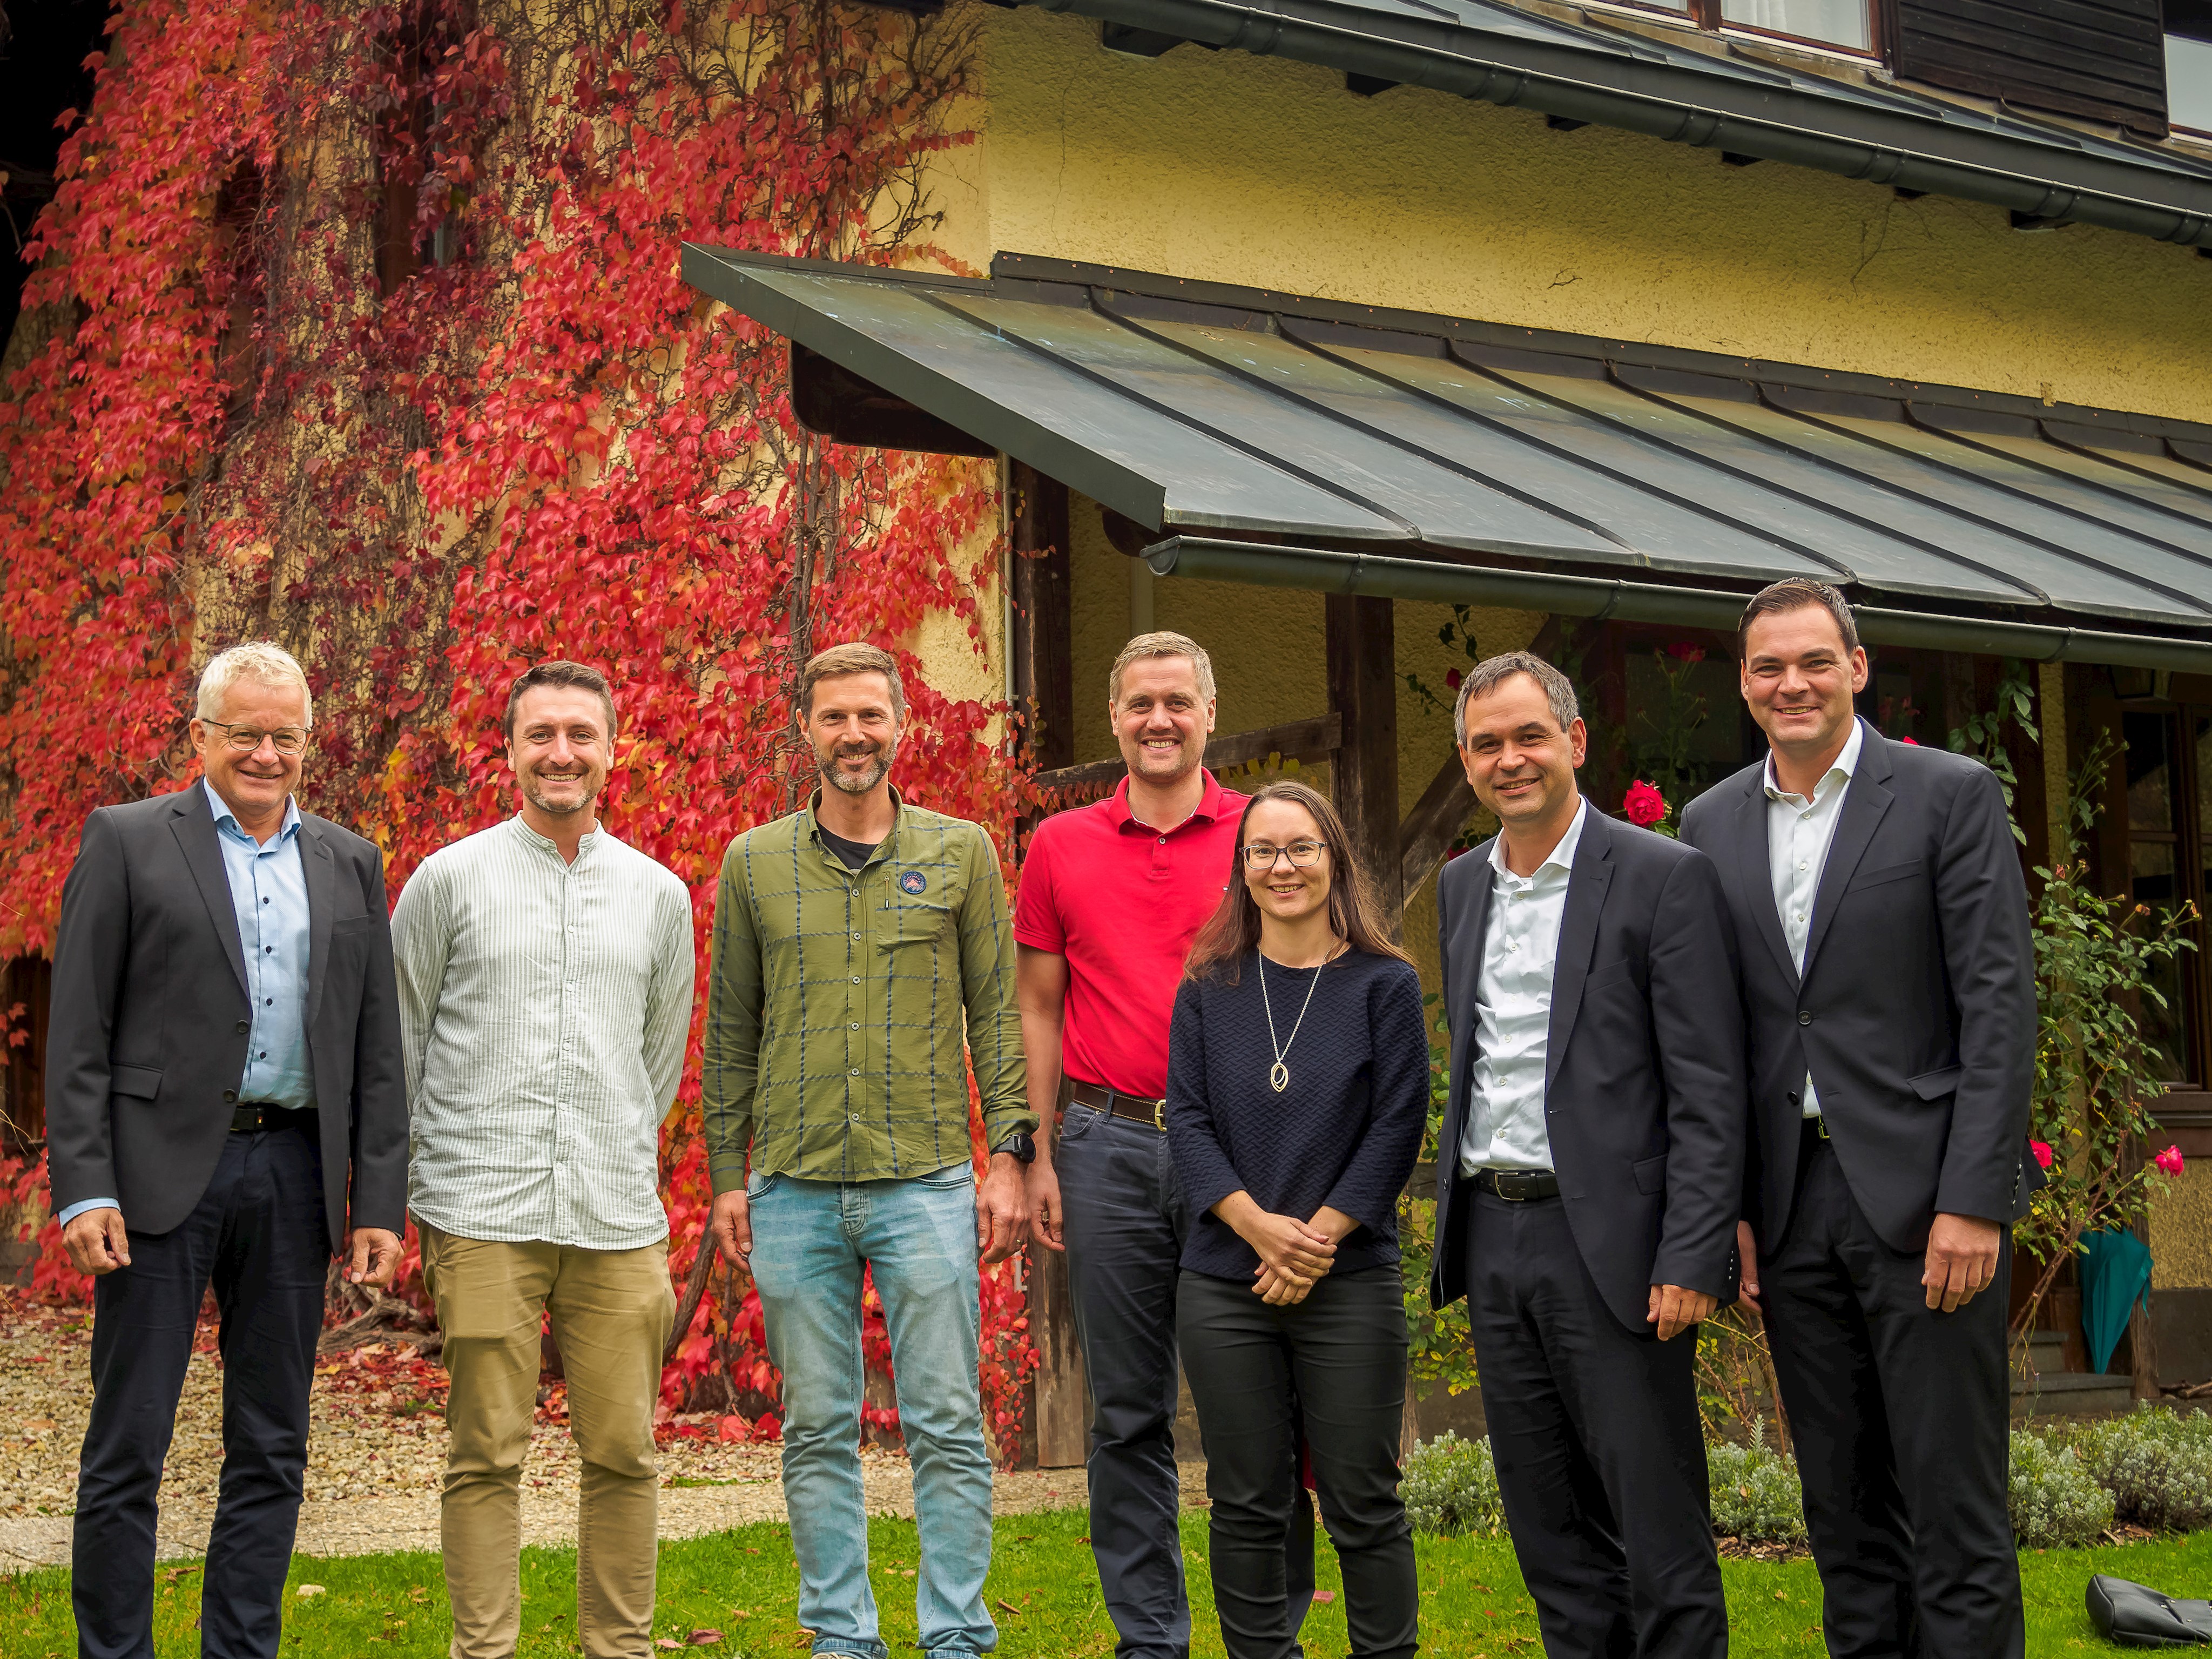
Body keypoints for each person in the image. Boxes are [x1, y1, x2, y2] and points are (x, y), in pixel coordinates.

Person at [1679, 579, 2039, 1659]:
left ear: (1856, 667)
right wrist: (1732, 1210)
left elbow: (1996, 1005)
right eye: (1767, 668)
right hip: (1790, 1210)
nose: (1790, 684)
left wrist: (1973, 1201)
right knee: (1840, 1514)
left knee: (1952, 1513)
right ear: (1744, 685)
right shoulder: (1709, 824)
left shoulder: (1944, 794)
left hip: (1927, 1202)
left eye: (1811, 662)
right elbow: (1721, 1040)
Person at [47, 640, 408, 1659]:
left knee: (272, 1446)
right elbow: (77, 1035)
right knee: (129, 1447)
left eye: (284, 735)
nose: (264, 752)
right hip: (158, 1178)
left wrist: (377, 1199)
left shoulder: (348, 859)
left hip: (293, 1177)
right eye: (243, 732)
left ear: (308, 741)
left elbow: (376, 1049)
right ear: (200, 734)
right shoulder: (126, 841)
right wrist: (84, 1190)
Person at [703, 642, 1033, 1659]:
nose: (855, 736)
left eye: (871, 718)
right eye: (835, 718)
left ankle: (957, 1636)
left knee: (944, 1419)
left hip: (927, 1180)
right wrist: (726, 1177)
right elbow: (731, 1033)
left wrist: (1010, 1156)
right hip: (794, 1185)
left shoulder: (963, 851)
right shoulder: (754, 863)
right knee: (816, 1429)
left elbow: (996, 1014)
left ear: (902, 728)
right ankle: (843, 1635)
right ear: (805, 730)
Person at [1433, 651, 1743, 1659]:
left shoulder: (1663, 877)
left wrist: (1692, 1253)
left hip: (1612, 1243)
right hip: (1492, 1234)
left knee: (1658, 1529)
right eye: (1487, 745)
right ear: (1468, 765)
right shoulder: (1458, 889)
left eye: (1529, 736)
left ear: (1574, 741)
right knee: (1550, 1529)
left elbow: (1708, 1085)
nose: (1509, 759)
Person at [1014, 631, 1317, 1658]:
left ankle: (1268, 1632)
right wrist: (1039, 1151)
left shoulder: (1260, 835)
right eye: (1141, 702)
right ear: (1115, 717)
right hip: (1106, 1146)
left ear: (1208, 712)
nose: (1159, 720)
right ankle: (1151, 1639)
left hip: (1244, 1153)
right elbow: (1039, 1009)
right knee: (1127, 1412)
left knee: (1261, 1408)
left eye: (1178, 703)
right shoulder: (1060, 846)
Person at [391, 660, 694, 1659]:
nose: (561, 754)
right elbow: (406, 1041)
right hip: (481, 1208)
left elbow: (657, 1060)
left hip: (614, 1215)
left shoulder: (658, 895)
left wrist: (608, 1142)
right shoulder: (449, 879)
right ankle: (484, 1651)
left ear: (614, 747)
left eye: (581, 734)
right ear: (511, 748)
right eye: (540, 735)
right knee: (484, 1454)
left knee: (626, 1453)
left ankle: (620, 1648)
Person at [1166, 779, 1427, 1659]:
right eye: (1264, 852)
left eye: (1301, 848)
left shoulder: (1384, 984)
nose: (1283, 867)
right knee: (1249, 1497)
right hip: (1225, 1276)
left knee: (1363, 1495)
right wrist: (1258, 1229)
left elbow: (1398, 1123)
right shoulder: (1209, 987)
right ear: (1242, 871)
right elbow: (1188, 1121)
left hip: (1347, 1275)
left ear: (1334, 860)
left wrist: (1314, 1238)